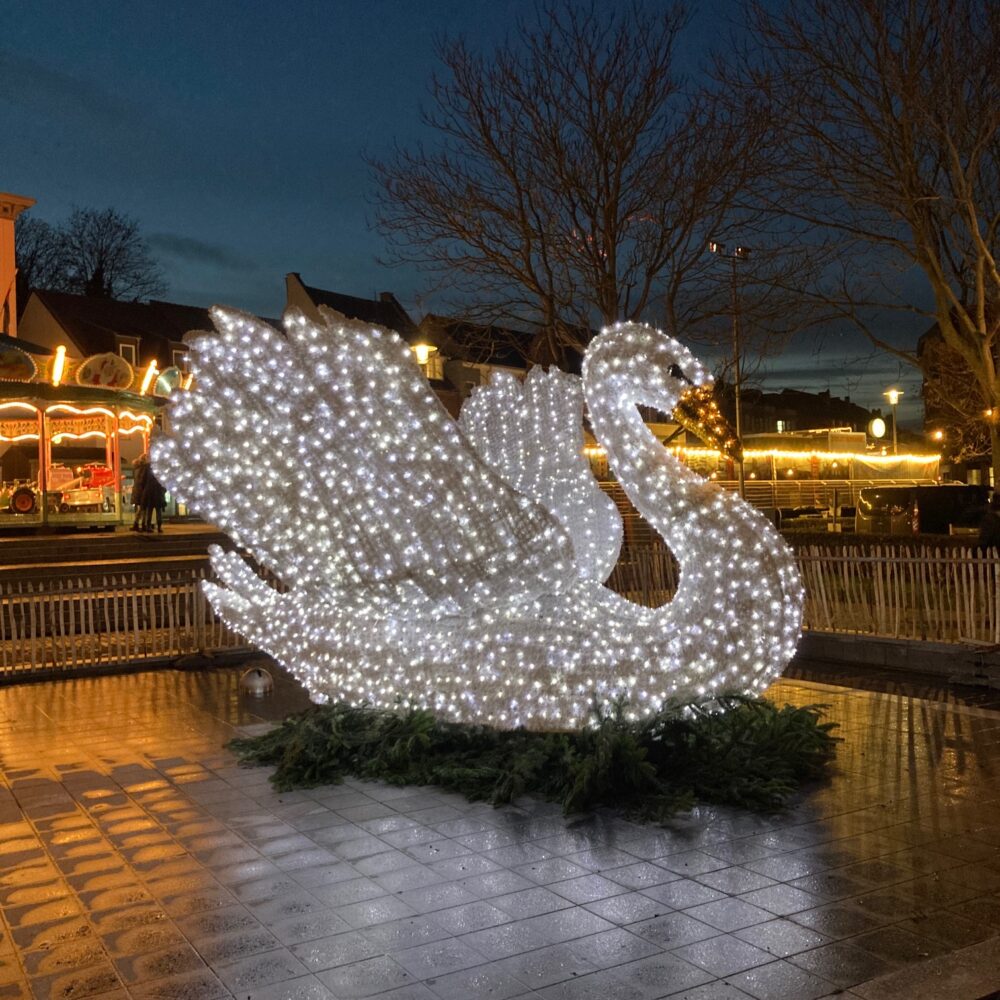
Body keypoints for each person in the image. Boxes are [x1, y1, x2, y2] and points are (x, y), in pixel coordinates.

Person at [141, 464, 167, 533]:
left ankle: (148, 526)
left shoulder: (147, 468)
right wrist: (163, 491)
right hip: (158, 493)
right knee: (158, 511)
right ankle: (159, 527)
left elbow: (143, 481)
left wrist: (145, 490)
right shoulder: (160, 469)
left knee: (149, 510)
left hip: (150, 493)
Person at [130, 454, 150, 531]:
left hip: (137, 491)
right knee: (143, 509)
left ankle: (137, 523)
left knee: (140, 508)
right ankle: (141, 524)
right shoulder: (144, 469)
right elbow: (143, 481)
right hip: (142, 491)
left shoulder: (136, 469)